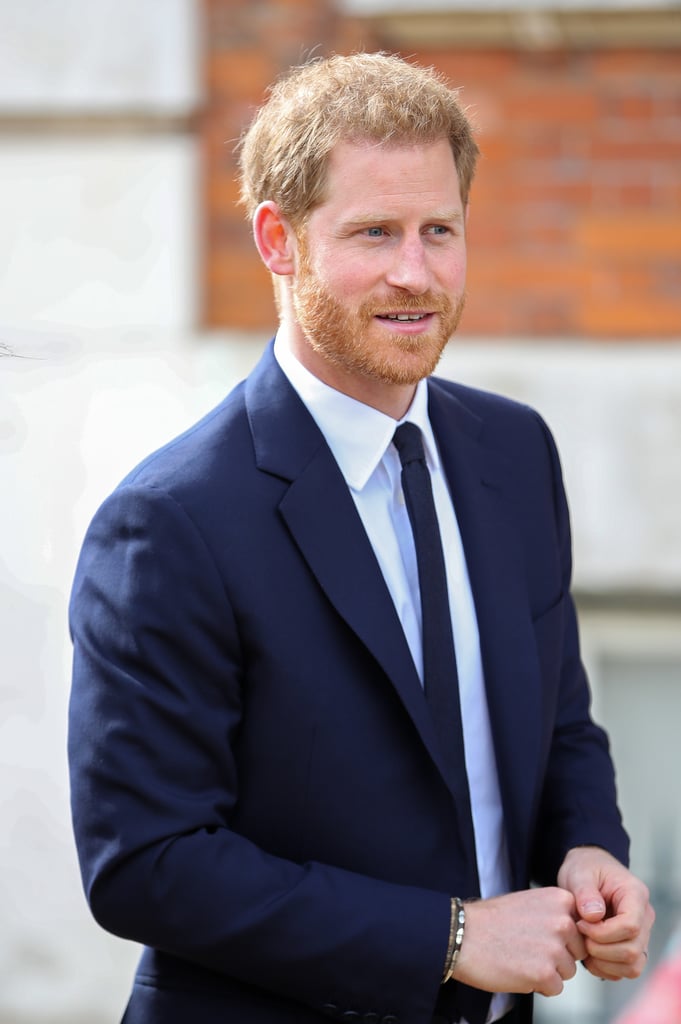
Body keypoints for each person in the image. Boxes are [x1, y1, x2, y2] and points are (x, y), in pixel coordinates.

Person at [68, 52, 653, 1024]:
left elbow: (558, 720)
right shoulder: (168, 522)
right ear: (277, 240)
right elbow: (146, 862)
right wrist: (453, 939)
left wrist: (589, 847)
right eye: (373, 232)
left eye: (440, 231)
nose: (413, 272)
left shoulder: (514, 452)